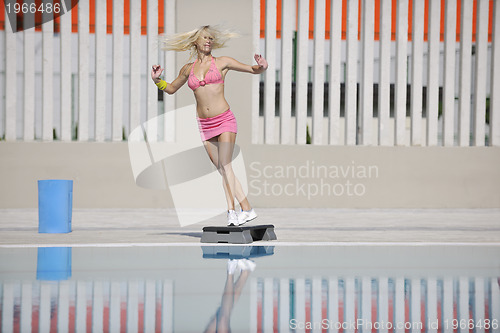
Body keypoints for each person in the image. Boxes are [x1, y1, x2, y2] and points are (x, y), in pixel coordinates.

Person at [151, 25, 268, 226]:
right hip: (205, 125)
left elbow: (252, 69)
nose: (208, 41)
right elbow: (170, 89)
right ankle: (247, 209)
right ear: (195, 41)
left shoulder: (223, 63)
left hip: (224, 120)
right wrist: (157, 81)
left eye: (211, 38)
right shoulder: (188, 69)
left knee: (226, 165)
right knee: (224, 170)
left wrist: (262, 66)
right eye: (204, 38)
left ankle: (232, 212)